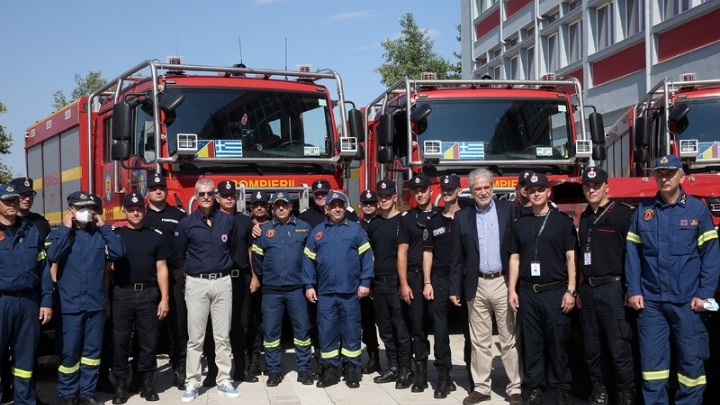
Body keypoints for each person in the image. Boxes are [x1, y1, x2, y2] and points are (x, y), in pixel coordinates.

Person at [625, 155, 720, 405]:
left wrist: (705, 294)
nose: (664, 178)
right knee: (652, 366)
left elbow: (710, 256)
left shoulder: (697, 210)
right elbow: (633, 255)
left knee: (691, 363)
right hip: (652, 304)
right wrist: (633, 290)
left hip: (687, 302)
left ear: (681, 176)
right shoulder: (644, 211)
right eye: (660, 174)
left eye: (669, 173)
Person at [449, 168, 522, 405]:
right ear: (471, 191)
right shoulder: (462, 217)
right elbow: (457, 256)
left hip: (503, 282)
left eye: (486, 187)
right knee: (479, 340)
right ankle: (481, 387)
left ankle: (515, 388)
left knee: (509, 337)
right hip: (476, 283)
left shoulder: (509, 210)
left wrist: (515, 285)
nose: (482, 192)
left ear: (493, 188)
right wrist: (454, 288)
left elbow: (518, 249)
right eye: (477, 188)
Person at [46, 191, 125, 405]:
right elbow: (53, 256)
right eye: (81, 208)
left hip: (95, 305)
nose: (87, 212)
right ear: (71, 210)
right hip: (70, 306)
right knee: (69, 353)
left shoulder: (100, 234)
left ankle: (86, 393)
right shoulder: (60, 234)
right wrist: (65, 229)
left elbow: (118, 252)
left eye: (90, 208)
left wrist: (104, 226)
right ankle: (67, 394)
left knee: (92, 353)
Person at [507, 173, 577, 405]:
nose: (536, 193)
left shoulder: (563, 222)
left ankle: (560, 388)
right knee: (532, 343)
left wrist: (571, 290)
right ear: (526, 192)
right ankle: (533, 387)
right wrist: (512, 290)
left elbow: (570, 259)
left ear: (549, 192)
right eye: (532, 189)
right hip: (528, 292)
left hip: (555, 292)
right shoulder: (519, 224)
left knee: (558, 342)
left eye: (541, 189)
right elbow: (515, 258)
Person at [175, 179, 240, 402]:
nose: (205, 197)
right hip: (197, 284)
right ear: (195, 195)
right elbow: (179, 255)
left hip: (222, 282)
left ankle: (224, 379)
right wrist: (193, 274)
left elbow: (230, 248)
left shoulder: (227, 221)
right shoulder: (186, 223)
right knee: (195, 338)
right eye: (201, 194)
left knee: (222, 337)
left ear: (215, 196)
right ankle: (192, 382)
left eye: (210, 193)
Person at [302, 191, 373, 389]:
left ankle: (351, 370)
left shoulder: (356, 231)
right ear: (326, 209)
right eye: (333, 206)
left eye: (340, 205)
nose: (337, 209)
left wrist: (365, 282)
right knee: (327, 332)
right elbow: (308, 261)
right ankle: (330, 370)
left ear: (345, 207)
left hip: (350, 292)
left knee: (351, 331)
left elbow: (366, 257)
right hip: (325, 293)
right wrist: (308, 285)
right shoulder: (317, 232)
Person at [577, 167, 636, 405]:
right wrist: (581, 288)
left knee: (618, 345)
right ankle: (599, 391)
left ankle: (625, 393)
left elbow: (633, 256)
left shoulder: (623, 214)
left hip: (613, 289)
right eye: (587, 186)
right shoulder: (585, 216)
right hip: (589, 290)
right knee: (592, 346)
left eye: (596, 186)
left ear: (606, 187)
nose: (591, 190)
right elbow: (584, 254)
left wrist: (631, 288)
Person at [110, 193, 170, 404]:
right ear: (124, 211)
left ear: (144, 211)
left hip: (148, 294)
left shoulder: (155, 236)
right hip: (122, 294)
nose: (135, 212)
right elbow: (108, 270)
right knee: (120, 342)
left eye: (139, 208)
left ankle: (147, 383)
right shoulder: (115, 236)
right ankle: (120, 385)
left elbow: (162, 269)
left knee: (148, 342)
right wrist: (107, 300)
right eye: (131, 209)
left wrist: (165, 298)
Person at [252, 191, 314, 387]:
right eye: (277, 205)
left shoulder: (304, 228)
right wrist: (269, 277)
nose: (280, 208)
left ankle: (304, 369)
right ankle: (273, 371)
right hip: (272, 291)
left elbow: (311, 258)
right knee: (271, 333)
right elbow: (257, 259)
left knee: (302, 331)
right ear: (272, 207)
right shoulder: (264, 230)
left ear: (291, 207)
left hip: (297, 290)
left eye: (284, 205)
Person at [202, 181, 260, 386]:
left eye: (232, 195)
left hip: (240, 278)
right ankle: (213, 371)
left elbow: (249, 250)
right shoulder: (210, 219)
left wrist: (254, 276)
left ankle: (240, 370)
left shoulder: (245, 221)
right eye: (225, 195)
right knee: (213, 327)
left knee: (241, 325)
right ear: (217, 198)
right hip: (218, 278)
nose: (229, 198)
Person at [0, 183, 53, 405]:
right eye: (7, 201)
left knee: (25, 358)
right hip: (2, 301)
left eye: (15, 200)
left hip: (29, 302)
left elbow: (44, 269)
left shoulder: (30, 230)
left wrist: (46, 301)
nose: (12, 205)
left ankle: (25, 400)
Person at [142, 173, 187, 390]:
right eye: (153, 188)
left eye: (161, 187)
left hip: (176, 274)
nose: (158, 191)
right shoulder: (141, 216)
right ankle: (144, 375)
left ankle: (179, 369)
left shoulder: (178, 215)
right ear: (147, 192)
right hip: (150, 277)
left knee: (178, 326)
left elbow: (188, 245)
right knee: (147, 328)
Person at [367, 180, 413, 388]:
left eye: (387, 196)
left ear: (395, 197)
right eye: (380, 196)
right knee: (384, 329)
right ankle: (392, 367)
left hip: (396, 284)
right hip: (379, 283)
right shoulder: (374, 224)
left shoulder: (403, 222)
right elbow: (372, 254)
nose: (383, 199)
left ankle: (406, 369)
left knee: (401, 329)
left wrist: (404, 284)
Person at [422, 174, 462, 399]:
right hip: (439, 278)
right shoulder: (434, 220)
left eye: (451, 189)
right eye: (444, 189)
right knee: (440, 330)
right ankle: (444, 377)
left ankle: (475, 377)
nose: (446, 192)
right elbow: (428, 253)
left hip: (464, 278)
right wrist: (428, 282)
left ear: (458, 191)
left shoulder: (469, 216)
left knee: (471, 330)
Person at [397, 174, 435, 392]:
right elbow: (401, 252)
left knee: (440, 327)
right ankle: (420, 374)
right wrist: (404, 283)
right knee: (417, 327)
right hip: (414, 277)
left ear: (431, 191)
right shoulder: (407, 218)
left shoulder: (441, 216)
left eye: (423, 189)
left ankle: (443, 373)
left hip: (437, 278)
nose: (419, 194)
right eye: (416, 191)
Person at [358, 189, 381, 375]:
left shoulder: (383, 223)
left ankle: (397, 361)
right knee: (367, 324)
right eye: (365, 203)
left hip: (382, 281)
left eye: (371, 203)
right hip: (363, 283)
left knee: (388, 324)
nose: (368, 206)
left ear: (377, 205)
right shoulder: (355, 226)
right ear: (360, 205)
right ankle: (373, 359)